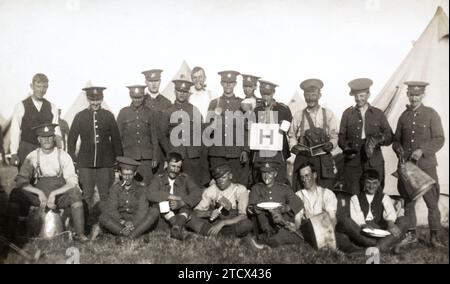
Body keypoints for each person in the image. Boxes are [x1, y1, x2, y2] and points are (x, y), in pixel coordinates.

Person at [5, 123, 88, 242]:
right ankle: (10, 234)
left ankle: (80, 234)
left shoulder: (63, 156)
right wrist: (39, 193)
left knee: (75, 193)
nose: (47, 140)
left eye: (49, 137)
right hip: (39, 195)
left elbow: (72, 182)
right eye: (43, 138)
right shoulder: (32, 156)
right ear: (39, 139)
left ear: (54, 137)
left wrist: (54, 194)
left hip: (59, 196)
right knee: (15, 193)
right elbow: (21, 180)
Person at [392, 81, 445, 247]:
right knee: (408, 203)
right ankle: (411, 235)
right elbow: (395, 140)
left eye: (417, 95)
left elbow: (440, 139)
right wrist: (398, 149)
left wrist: (422, 150)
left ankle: (435, 238)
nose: (414, 98)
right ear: (407, 94)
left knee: (432, 203)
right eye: (411, 94)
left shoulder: (431, 114)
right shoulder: (403, 116)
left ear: (423, 95)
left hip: (427, 167)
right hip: (408, 168)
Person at [67, 87, 123, 219]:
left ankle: (105, 222)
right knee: (87, 194)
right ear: (88, 99)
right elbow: (71, 139)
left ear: (102, 99)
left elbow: (116, 139)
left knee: (105, 194)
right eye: (92, 100)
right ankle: (85, 223)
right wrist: (73, 160)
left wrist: (118, 160)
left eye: (98, 100)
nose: (95, 103)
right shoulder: (80, 116)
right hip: (85, 162)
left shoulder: (108, 116)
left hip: (105, 162)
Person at [338, 78, 393, 195]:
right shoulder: (347, 114)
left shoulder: (378, 114)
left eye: (362, 96)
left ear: (368, 94)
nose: (359, 99)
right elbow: (341, 137)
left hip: (374, 159)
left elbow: (389, 136)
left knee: (376, 194)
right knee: (354, 194)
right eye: (356, 96)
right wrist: (346, 148)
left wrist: (377, 140)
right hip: (353, 160)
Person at [335, 169, 408, 253]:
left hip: (381, 230)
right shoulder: (355, 198)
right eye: (368, 182)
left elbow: (390, 212)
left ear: (379, 183)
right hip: (363, 231)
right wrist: (364, 225)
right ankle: (387, 245)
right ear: (363, 182)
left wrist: (390, 224)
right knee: (345, 221)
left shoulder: (384, 197)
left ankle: (376, 247)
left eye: (374, 183)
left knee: (404, 220)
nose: (371, 186)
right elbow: (357, 216)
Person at [288, 79, 338, 190]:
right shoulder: (298, 115)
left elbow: (334, 136)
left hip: (323, 160)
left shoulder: (328, 114)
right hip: (303, 158)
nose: (310, 98)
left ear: (319, 95)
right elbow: (291, 135)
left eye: (313, 95)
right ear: (304, 95)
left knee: (325, 190)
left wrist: (331, 144)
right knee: (301, 190)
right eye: (307, 95)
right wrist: (294, 146)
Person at [160, 79, 210, 187]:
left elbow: (202, 134)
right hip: (175, 156)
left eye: (185, 92)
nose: (182, 94)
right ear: (175, 92)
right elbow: (162, 135)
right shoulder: (167, 111)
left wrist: (199, 153)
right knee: (175, 185)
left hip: (192, 156)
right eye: (179, 91)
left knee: (192, 185)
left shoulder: (194, 110)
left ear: (188, 93)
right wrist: (170, 152)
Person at [99, 157, 159, 243]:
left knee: (154, 211)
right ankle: (135, 235)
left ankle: (127, 236)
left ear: (135, 173)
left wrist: (133, 223)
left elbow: (142, 210)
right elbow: (112, 209)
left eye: (130, 174)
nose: (127, 178)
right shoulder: (115, 188)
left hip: (137, 222)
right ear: (120, 173)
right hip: (120, 222)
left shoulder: (141, 189)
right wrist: (122, 222)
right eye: (124, 174)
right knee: (103, 217)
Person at [146, 152, 202, 240]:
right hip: (165, 216)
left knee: (185, 205)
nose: (175, 170)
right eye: (172, 166)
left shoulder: (185, 178)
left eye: (178, 167)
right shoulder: (158, 178)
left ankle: (177, 227)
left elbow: (197, 193)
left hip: (182, 213)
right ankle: (178, 227)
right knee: (161, 203)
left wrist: (182, 202)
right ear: (166, 164)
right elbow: (150, 193)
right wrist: (171, 197)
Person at [247, 161, 304, 248]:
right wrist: (255, 209)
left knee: (288, 234)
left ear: (275, 173)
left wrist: (284, 209)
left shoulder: (284, 188)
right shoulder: (256, 188)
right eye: (264, 173)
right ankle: (268, 239)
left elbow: (298, 203)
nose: (266, 176)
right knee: (260, 212)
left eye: (269, 173)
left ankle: (266, 242)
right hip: (264, 226)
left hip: (282, 224)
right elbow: (250, 208)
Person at [207, 70, 250, 185]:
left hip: (235, 153)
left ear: (235, 84)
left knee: (236, 183)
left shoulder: (242, 104)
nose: (228, 85)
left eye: (231, 82)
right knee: (217, 185)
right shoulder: (214, 103)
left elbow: (247, 129)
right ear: (221, 83)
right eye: (225, 82)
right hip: (217, 152)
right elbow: (208, 130)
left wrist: (245, 149)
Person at [9, 73, 62, 168]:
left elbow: (57, 131)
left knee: (45, 179)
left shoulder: (52, 107)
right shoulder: (20, 106)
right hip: (26, 149)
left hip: (47, 149)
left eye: (44, 87)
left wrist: (59, 150)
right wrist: (13, 153)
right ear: (31, 86)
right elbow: (15, 131)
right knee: (25, 179)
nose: (41, 90)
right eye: (38, 86)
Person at [189, 163, 253, 238]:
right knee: (190, 220)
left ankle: (214, 234)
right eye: (218, 179)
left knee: (247, 224)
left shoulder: (240, 189)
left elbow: (243, 216)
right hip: (214, 224)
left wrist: (223, 223)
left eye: (223, 177)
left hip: (232, 223)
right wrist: (209, 213)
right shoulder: (211, 190)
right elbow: (196, 213)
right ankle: (223, 235)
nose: (220, 181)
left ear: (230, 176)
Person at [251, 80, 292, 186]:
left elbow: (289, 130)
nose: (265, 98)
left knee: (279, 181)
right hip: (261, 153)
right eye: (263, 94)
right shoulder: (256, 110)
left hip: (278, 154)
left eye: (268, 94)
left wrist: (283, 125)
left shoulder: (283, 109)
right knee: (260, 182)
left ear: (273, 93)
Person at [117, 85, 159, 185]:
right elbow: (118, 138)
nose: (137, 100)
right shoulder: (123, 113)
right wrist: (119, 160)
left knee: (146, 186)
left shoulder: (150, 113)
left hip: (146, 159)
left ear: (143, 97)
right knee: (129, 187)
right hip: (128, 158)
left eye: (139, 97)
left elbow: (154, 137)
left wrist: (155, 157)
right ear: (130, 97)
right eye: (135, 97)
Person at [142, 69, 172, 174]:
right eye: (150, 81)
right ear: (146, 82)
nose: (154, 84)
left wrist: (169, 156)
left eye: (156, 80)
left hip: (162, 153)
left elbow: (170, 132)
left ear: (160, 81)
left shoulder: (167, 103)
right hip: (145, 152)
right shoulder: (141, 102)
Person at [294, 161, 337, 228]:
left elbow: (332, 219)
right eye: (302, 177)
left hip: (325, 232)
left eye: (307, 175)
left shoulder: (328, 194)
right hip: (306, 232)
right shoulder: (298, 195)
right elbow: (297, 219)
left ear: (314, 175)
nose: (304, 179)